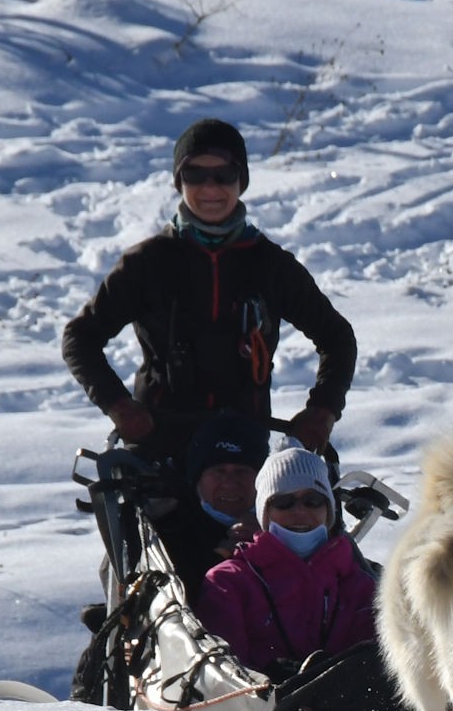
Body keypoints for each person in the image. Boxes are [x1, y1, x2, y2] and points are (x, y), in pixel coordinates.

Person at [60, 118, 356, 484]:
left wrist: (322, 411)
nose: (210, 187)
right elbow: (80, 338)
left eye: (224, 175)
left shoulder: (270, 264)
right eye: (195, 175)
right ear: (179, 182)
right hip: (159, 448)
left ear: (241, 181)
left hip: (243, 452)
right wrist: (119, 407)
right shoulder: (147, 263)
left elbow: (336, 337)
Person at [201, 447, 418, 711]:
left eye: (313, 500)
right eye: (284, 502)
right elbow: (225, 679)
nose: (300, 511)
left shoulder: (362, 584)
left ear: (328, 509)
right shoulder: (229, 583)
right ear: (265, 512)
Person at [155, 411, 264, 607]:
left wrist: (265, 544)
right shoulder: (170, 530)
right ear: (198, 480)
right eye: (219, 471)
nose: (230, 483)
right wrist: (223, 554)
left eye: (242, 471)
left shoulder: (286, 521)